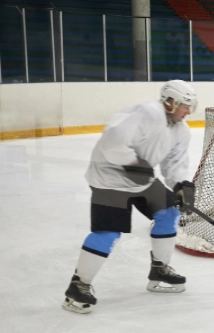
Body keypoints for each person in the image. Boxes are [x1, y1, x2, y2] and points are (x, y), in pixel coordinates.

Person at [62, 81, 198, 314]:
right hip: (110, 179)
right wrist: (133, 164)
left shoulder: (180, 130)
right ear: (170, 102)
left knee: (169, 211)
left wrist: (181, 186)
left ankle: (160, 269)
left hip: (140, 180)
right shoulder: (146, 113)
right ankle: (78, 286)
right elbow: (112, 141)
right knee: (108, 232)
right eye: (185, 106)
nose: (188, 112)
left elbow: (174, 165)